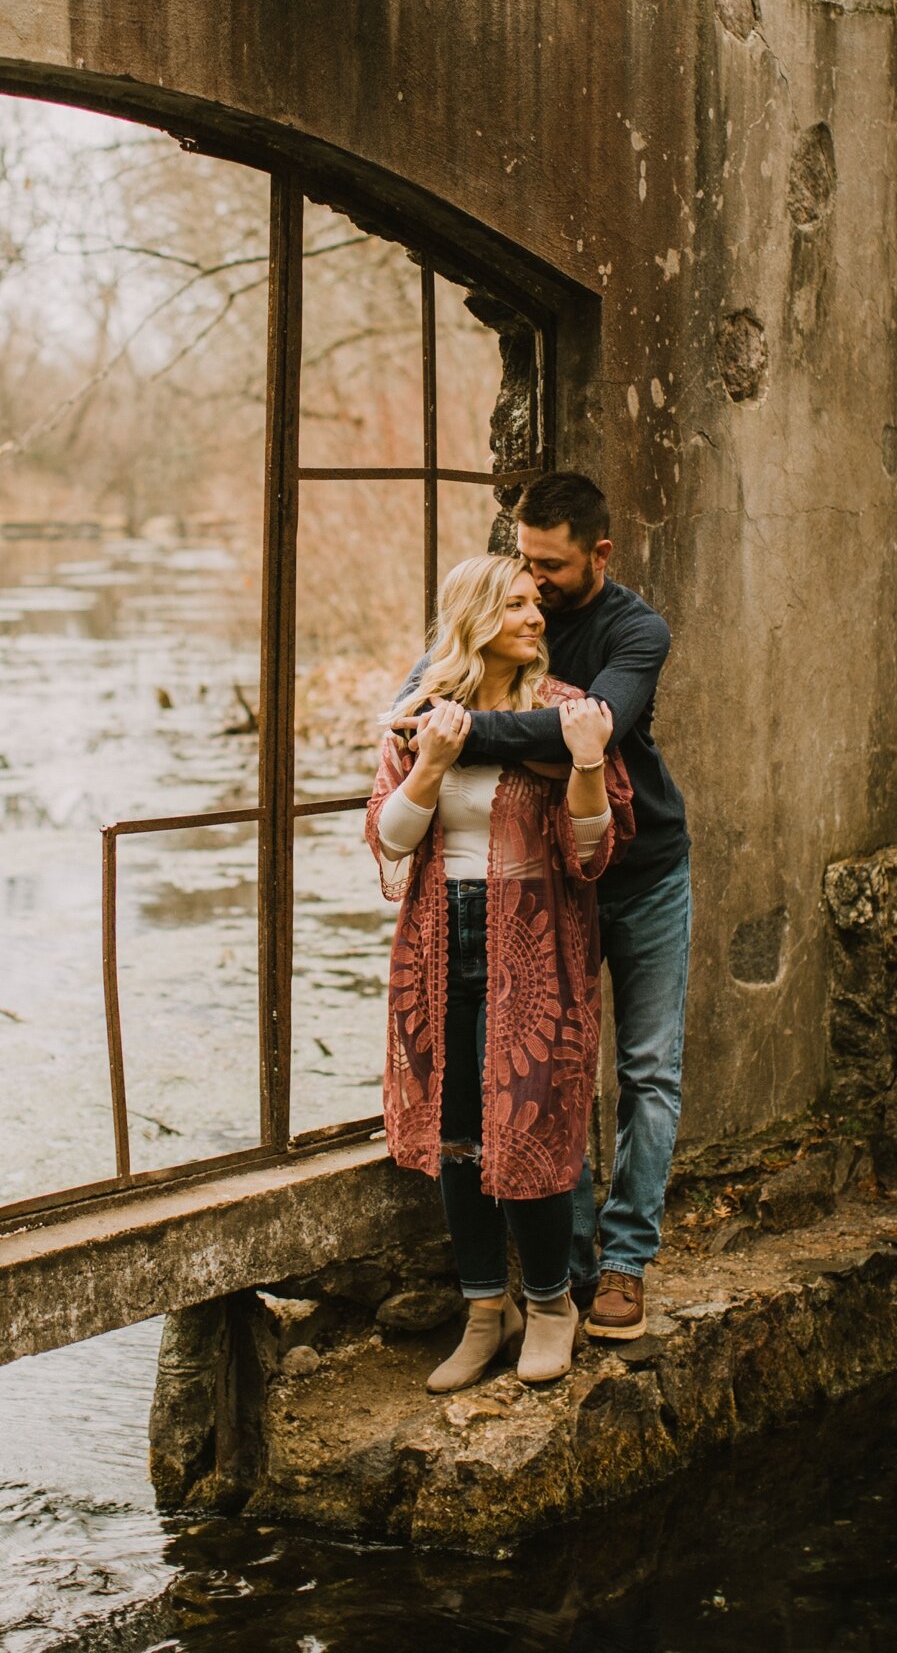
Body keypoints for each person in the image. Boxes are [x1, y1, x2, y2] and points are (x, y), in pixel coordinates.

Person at [366, 553, 633, 1392]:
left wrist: (588, 763)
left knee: (527, 1125)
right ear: (475, 618)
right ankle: (489, 1310)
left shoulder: (566, 715)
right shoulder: (419, 719)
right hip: (439, 942)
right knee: (456, 1136)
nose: (536, 616)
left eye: (535, 602)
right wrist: (433, 764)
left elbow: (593, 851)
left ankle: (551, 1305)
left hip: (536, 941)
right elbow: (390, 838)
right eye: (514, 605)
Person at [437, 472, 691, 1343]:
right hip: (553, 884)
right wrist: (448, 722)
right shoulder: (509, 608)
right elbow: (421, 695)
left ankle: (624, 1265)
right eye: (524, 564)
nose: (534, 587)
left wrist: (463, 731)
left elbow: (594, 731)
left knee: (648, 1070)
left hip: (646, 869)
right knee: (555, 1071)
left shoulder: (636, 630)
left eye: (551, 566)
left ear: (600, 554)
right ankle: (570, 1271)